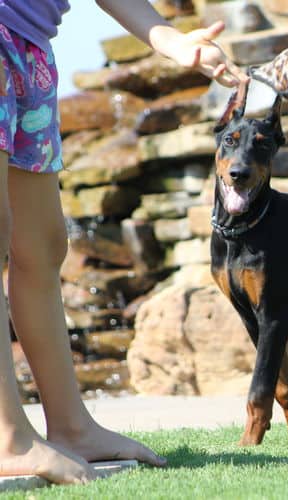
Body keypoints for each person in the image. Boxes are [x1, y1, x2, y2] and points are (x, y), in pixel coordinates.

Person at [0, 0, 245, 484]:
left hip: (29, 51)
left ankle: (71, 426)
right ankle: (8, 438)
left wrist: (171, 40)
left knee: (44, 246)